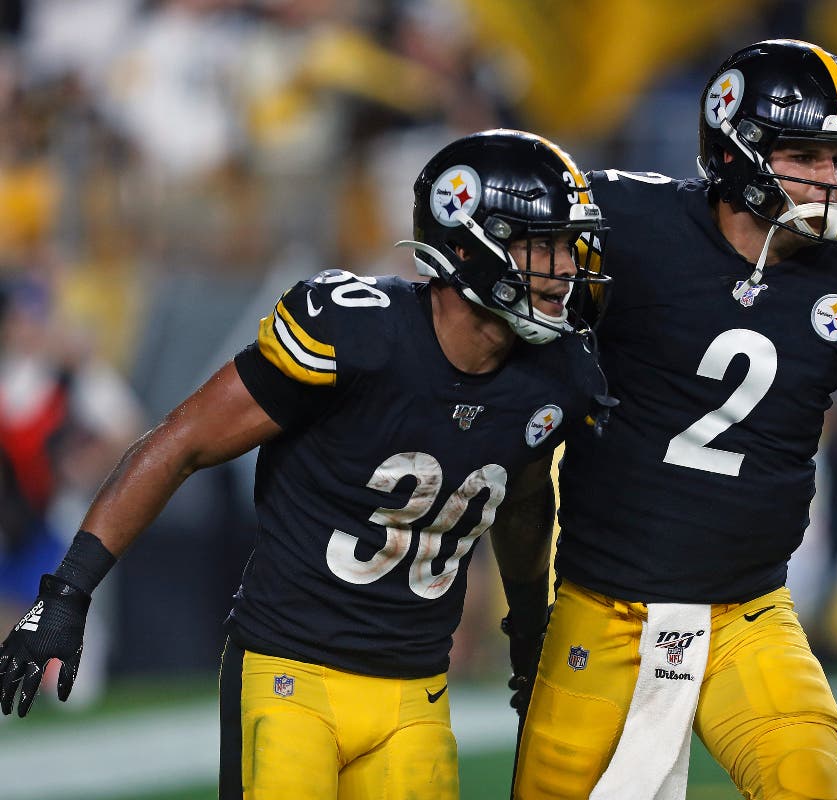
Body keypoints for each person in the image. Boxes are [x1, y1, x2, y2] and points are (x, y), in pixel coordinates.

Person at [0, 128, 612, 800]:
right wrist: (67, 592)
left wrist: (528, 630)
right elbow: (181, 443)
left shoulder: (557, 375)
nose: (563, 266)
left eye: (565, 244)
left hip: (415, 694)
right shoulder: (354, 333)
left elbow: (520, 502)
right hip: (292, 677)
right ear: (468, 247)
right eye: (542, 244)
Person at [512, 39, 837, 800]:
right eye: (808, 154)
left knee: (805, 777)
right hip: (601, 604)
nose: (833, 178)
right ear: (738, 150)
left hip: (748, 614)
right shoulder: (624, 225)